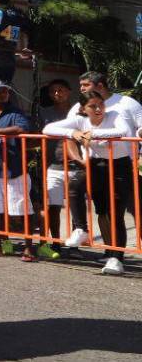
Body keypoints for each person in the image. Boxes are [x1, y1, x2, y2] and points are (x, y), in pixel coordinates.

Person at [45, 90, 134, 275]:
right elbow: (48, 129)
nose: (98, 109)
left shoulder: (114, 115)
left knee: (115, 214)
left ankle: (117, 259)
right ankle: (81, 229)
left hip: (119, 166)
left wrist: (90, 134)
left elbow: (123, 130)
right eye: (93, 106)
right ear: (84, 109)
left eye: (100, 104)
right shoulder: (80, 120)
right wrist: (74, 133)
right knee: (76, 187)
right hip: (96, 164)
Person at [0, 81, 54, 262]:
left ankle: (28, 247)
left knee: (22, 211)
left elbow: (20, 129)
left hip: (15, 169)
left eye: (5, 91)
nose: (2, 94)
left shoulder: (16, 113)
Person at [37, 79, 89, 248]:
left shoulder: (80, 111)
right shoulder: (44, 113)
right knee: (54, 205)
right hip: (54, 164)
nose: (57, 94)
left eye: (61, 90)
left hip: (79, 165)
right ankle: (56, 241)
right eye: (53, 91)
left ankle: (75, 244)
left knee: (77, 205)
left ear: (69, 91)